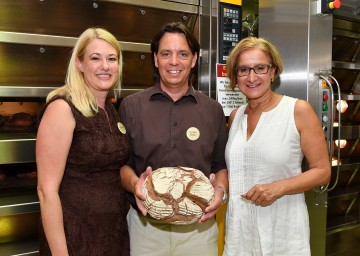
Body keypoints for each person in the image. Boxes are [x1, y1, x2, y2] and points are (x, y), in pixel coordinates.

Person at [119, 21, 228, 256]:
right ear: (156, 59)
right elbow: (123, 165)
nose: (174, 62)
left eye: (183, 54)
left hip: (198, 231)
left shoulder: (212, 110)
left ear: (194, 59)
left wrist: (220, 191)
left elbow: (219, 165)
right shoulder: (131, 106)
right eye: (166, 54)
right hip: (145, 229)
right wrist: (134, 184)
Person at [223, 36, 331, 255]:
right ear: (236, 76)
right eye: (243, 70)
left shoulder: (297, 110)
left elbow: (322, 171)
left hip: (283, 233)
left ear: (273, 71)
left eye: (260, 68)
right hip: (239, 234)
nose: (251, 77)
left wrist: (278, 187)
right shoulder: (236, 117)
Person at [36, 27, 130, 256]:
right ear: (79, 64)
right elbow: (46, 190)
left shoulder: (110, 110)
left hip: (113, 235)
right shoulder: (62, 108)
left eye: (111, 59)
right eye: (95, 58)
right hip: (75, 239)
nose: (105, 66)